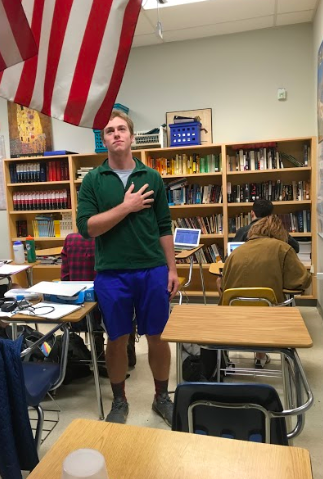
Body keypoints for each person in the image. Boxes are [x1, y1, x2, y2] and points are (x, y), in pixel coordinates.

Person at [77, 110, 179, 426]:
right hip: (112, 273)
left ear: (132, 137)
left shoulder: (152, 178)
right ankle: (119, 401)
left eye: (122, 129)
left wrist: (172, 269)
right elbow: (87, 228)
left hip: (152, 270)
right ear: (103, 139)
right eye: (110, 131)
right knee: (117, 338)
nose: (116, 134)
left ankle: (162, 397)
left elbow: (164, 226)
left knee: (158, 337)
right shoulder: (93, 180)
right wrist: (126, 207)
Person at [221, 215, 312, 367]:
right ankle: (261, 356)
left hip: (234, 316)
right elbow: (301, 281)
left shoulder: (236, 252)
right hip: (269, 316)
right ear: (279, 231)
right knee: (268, 302)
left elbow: (224, 285)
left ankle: (247, 358)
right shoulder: (283, 248)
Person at [60, 233, 136, 369]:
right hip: (112, 307)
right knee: (128, 300)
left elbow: (65, 279)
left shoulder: (70, 240)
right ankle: (128, 353)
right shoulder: (116, 238)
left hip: (80, 310)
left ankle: (98, 352)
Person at [233, 199, 299, 253]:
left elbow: (230, 256)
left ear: (252, 213)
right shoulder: (278, 230)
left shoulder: (243, 231)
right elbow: (296, 247)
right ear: (270, 215)